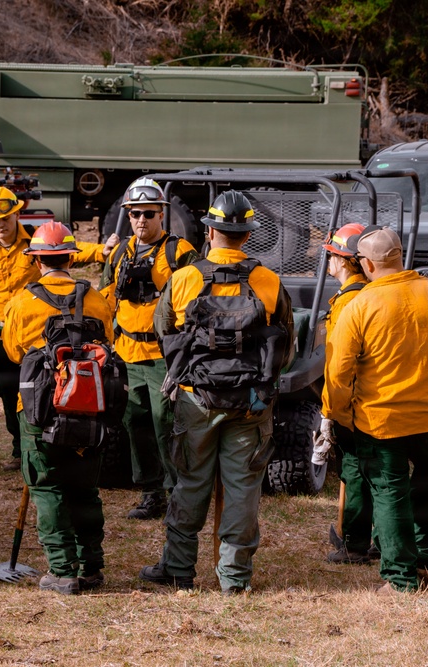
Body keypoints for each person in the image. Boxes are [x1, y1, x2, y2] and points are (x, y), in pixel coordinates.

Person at [141, 190, 294, 594]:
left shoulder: (184, 279)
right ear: (247, 235)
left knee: (190, 481)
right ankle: (235, 579)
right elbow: (287, 347)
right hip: (251, 402)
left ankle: (177, 569)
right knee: (243, 487)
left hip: (196, 399)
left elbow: (164, 333)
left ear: (209, 231)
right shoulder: (269, 281)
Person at [323, 226, 428, 594]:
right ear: (398, 255)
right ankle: (423, 562)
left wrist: (339, 414)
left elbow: (339, 371)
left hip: (380, 423)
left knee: (389, 492)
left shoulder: (359, 306)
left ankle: (399, 579)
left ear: (366, 263)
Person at [0, 186, 118, 471]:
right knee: (9, 391)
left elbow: (67, 252)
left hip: (36, 335)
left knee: (46, 390)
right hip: (0, 335)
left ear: (17, 214)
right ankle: (20, 447)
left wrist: (101, 252)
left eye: (5, 219)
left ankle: (41, 447)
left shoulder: (36, 239)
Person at [2, 221, 115, 595]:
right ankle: (91, 568)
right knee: (84, 487)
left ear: (37, 261)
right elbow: (109, 343)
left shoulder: (21, 301)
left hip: (38, 410)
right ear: (71, 257)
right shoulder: (97, 298)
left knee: (47, 488)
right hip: (91, 406)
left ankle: (62, 571)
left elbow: (13, 351)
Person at [100, 177, 197, 519]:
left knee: (165, 423)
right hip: (127, 355)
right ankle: (150, 492)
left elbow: (194, 303)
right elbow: (105, 297)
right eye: (134, 214)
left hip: (162, 357)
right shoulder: (120, 253)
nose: (141, 220)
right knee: (135, 425)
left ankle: (177, 492)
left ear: (161, 215)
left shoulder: (180, 252)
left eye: (148, 213)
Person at [311, 222, 377, 564]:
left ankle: (353, 543)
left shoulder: (348, 302)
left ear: (342, 260)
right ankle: (379, 539)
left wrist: (330, 412)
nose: (329, 262)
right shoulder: (374, 293)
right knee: (381, 472)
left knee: (354, 470)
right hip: (378, 399)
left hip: (353, 402)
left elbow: (339, 363)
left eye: (331, 256)